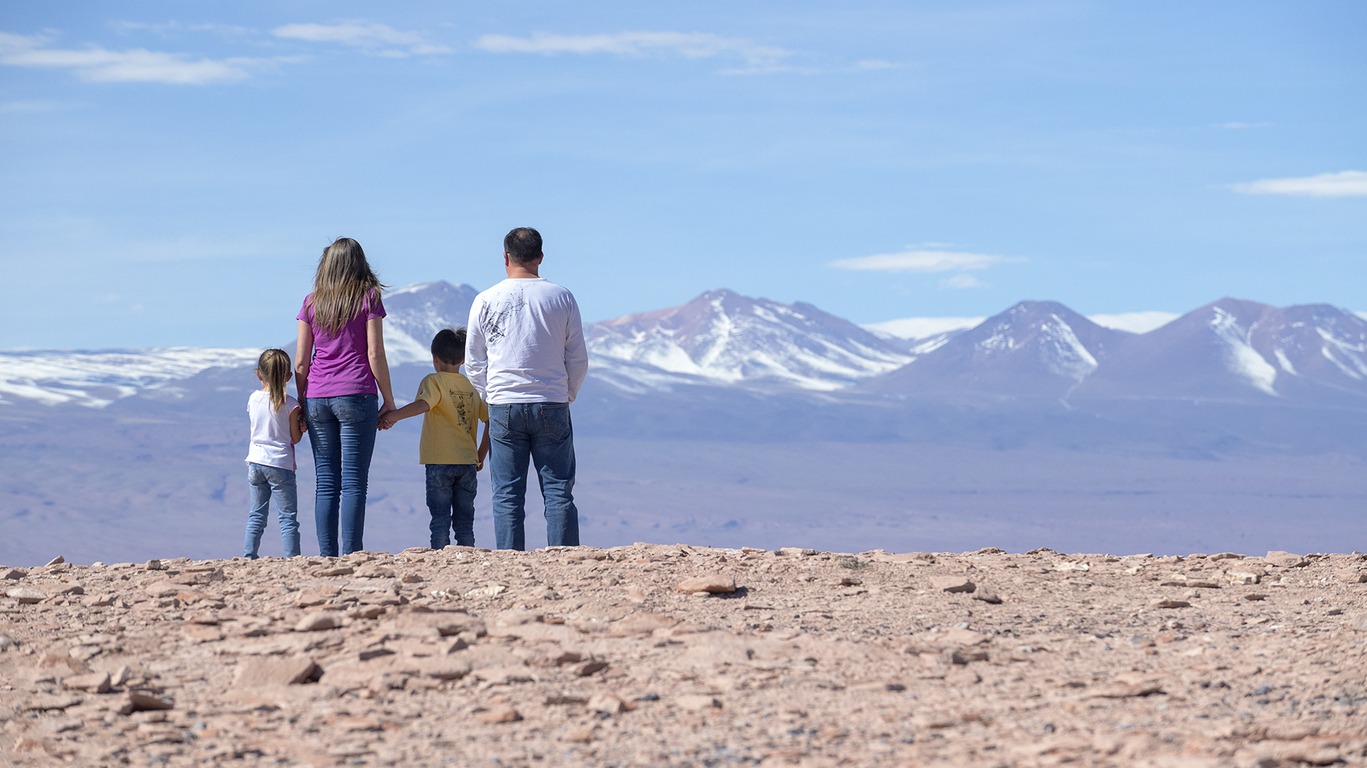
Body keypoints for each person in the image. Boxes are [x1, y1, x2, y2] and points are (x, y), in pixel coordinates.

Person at [465, 227, 589, 550]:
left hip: (504, 404)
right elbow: (578, 359)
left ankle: (510, 565)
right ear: (540, 258)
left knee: (506, 493)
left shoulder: (485, 300)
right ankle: (565, 561)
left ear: (505, 258)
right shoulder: (561, 297)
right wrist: (566, 394)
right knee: (559, 490)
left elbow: (473, 361)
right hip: (551, 402)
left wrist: (490, 396)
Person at [295, 237, 396, 556]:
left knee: (326, 482)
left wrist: (302, 403)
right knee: (353, 482)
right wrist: (389, 401)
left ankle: (327, 555)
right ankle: (353, 554)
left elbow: (300, 360)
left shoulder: (311, 303)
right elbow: (375, 353)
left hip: (317, 398)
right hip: (356, 394)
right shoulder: (368, 297)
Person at [378, 328, 491, 548]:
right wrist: (480, 454)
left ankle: (439, 560)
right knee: (465, 522)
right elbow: (489, 421)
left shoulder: (433, 381)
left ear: (435, 358)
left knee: (440, 519)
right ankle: (467, 561)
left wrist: (392, 417)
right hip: (467, 463)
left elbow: (423, 405)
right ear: (463, 359)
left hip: (439, 461)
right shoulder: (472, 386)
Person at [243, 348, 304, 559]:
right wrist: (301, 428)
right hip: (280, 464)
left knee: (256, 515)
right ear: (288, 376)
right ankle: (293, 558)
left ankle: (249, 555)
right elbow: (294, 438)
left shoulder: (253, 399)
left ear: (259, 374)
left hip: (255, 462)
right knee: (287, 517)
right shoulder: (291, 404)